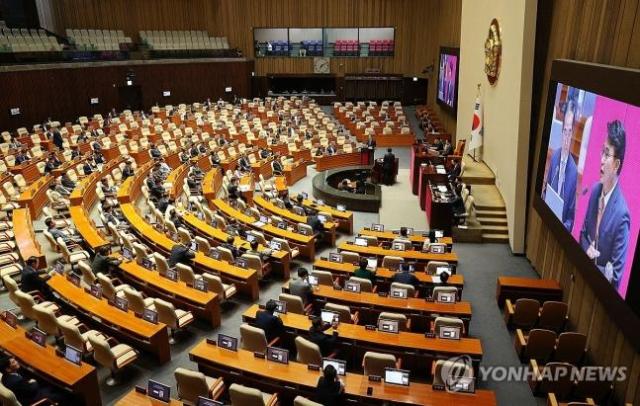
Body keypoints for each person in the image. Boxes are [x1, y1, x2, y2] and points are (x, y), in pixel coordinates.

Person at [579, 120, 630, 289]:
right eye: (602, 152)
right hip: (580, 277)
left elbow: (615, 276)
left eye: (606, 155)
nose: (601, 160)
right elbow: (583, 234)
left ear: (616, 165)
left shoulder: (622, 215)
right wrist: (587, 251)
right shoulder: (594, 191)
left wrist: (593, 263)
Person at [543, 98, 579, 231]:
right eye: (565, 131)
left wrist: (562, 228)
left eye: (570, 132)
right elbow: (545, 191)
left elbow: (570, 218)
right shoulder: (554, 157)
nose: (566, 137)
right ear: (561, 131)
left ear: (573, 134)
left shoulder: (573, 172)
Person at [0, 356, 65, 404]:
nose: (17, 362)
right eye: (13, 362)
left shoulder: (4, 377)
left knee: (51, 386)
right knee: (60, 394)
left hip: (25, 395)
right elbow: (32, 388)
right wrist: (34, 381)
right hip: (32, 399)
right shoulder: (15, 381)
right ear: (8, 369)